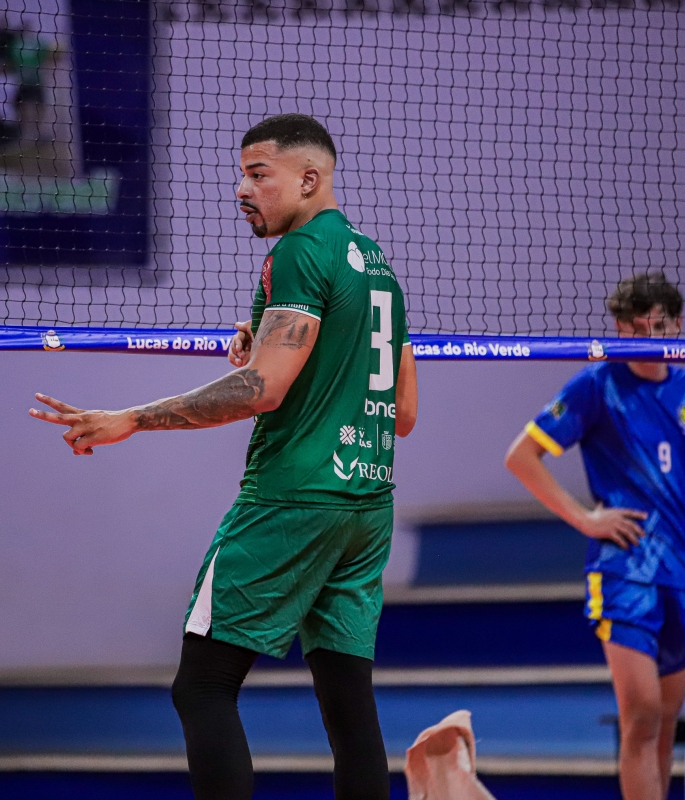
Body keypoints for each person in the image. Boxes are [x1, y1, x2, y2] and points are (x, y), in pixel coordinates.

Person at [30, 113, 418, 800]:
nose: (242, 189)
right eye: (241, 175)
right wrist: (271, 336)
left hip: (293, 499)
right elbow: (404, 412)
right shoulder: (377, 263)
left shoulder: (299, 252)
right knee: (348, 703)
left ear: (309, 178)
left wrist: (132, 419)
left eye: (258, 174)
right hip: (367, 503)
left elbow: (263, 388)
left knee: (202, 687)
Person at [504, 272, 685, 800]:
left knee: (666, 724)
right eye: (636, 326)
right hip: (626, 569)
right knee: (642, 716)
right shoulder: (596, 384)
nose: (648, 336)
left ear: (677, 326)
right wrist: (586, 519)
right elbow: (521, 457)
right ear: (619, 328)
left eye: (658, 326)